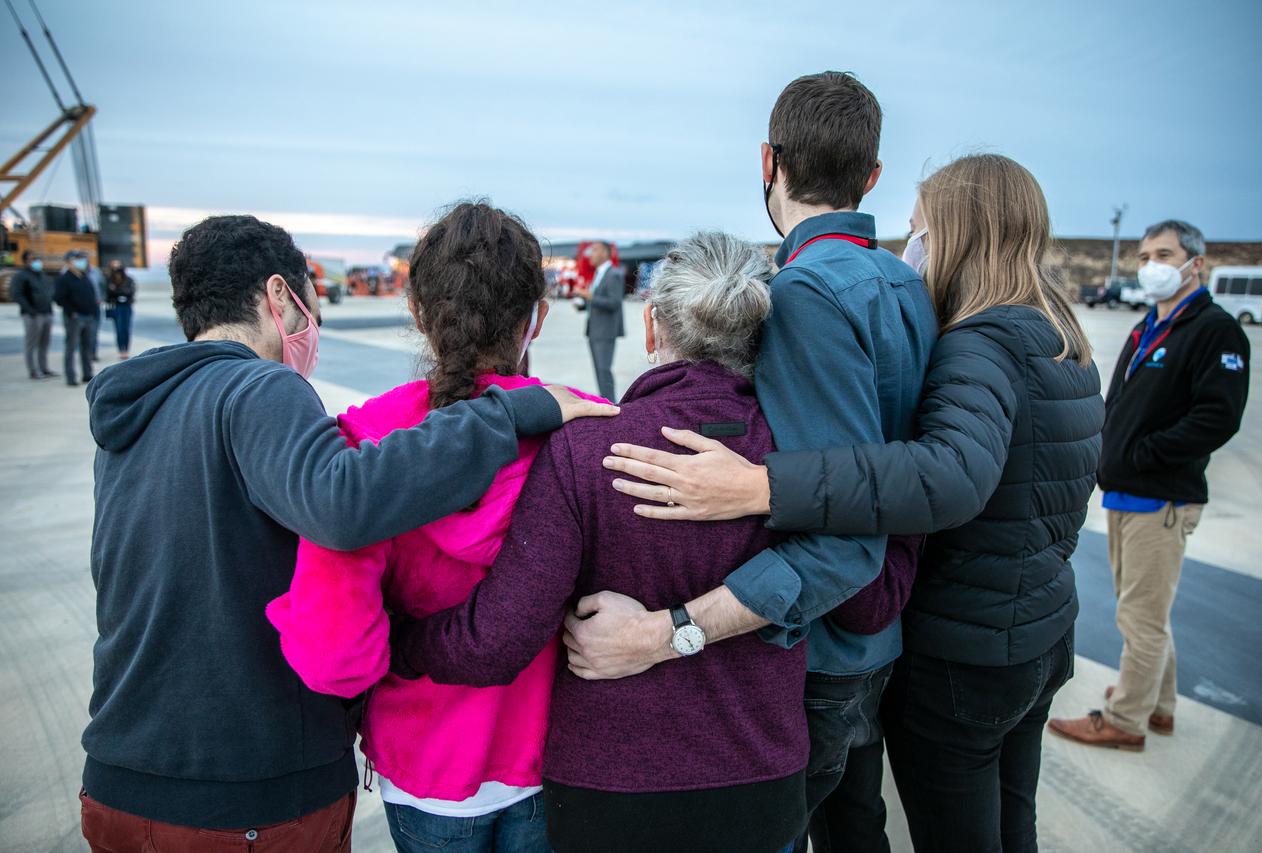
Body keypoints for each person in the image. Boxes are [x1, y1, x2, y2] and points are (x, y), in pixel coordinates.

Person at [597, 154, 1104, 852]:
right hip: (1039, 628)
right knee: (1002, 822)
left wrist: (762, 485)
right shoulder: (1056, 336)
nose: (912, 241)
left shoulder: (980, 343)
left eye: (920, 224)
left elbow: (948, 477)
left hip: (967, 647)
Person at [79, 214, 615, 852]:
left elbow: (336, 647)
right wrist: (516, 411)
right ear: (280, 296)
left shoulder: (137, 412)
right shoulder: (261, 390)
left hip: (127, 770)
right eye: (308, 299)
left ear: (418, 312)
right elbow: (342, 502)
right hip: (253, 789)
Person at [529, 72, 939, 853]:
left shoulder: (806, 293)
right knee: (856, 825)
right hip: (883, 635)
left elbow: (840, 538)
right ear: (873, 176)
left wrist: (669, 628)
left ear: (767, 161)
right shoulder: (905, 284)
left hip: (820, 648)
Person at [383, 231, 819, 853]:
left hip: (611, 788)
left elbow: (497, 639)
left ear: (650, 328)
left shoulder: (587, 452)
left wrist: (396, 643)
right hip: (761, 778)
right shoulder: (798, 463)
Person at [266, 202, 601, 853]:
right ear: (537, 316)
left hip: (421, 762)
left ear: (418, 314)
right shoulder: (583, 428)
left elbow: (335, 657)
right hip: (555, 754)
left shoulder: (366, 446)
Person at [1049, 220, 1250, 751]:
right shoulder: (1148, 326)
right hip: (1125, 491)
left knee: (1141, 618)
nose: (1151, 266)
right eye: (1143, 256)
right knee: (1145, 610)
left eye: (1164, 254)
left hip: (1160, 495)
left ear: (1195, 264)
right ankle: (1157, 703)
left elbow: (1218, 417)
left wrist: (1142, 455)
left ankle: (1125, 718)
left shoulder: (1214, 330)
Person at [581, 240, 625, 400]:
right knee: (598, 371)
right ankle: (604, 401)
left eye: (594, 250)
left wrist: (591, 297)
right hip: (593, 330)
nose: (590, 254)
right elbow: (596, 301)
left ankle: (611, 404)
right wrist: (582, 304)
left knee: (604, 370)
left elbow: (615, 302)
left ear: (605, 253)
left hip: (605, 331)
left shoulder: (613, 274)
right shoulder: (598, 274)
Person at [53, 249, 97, 385]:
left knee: (87, 347)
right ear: (69, 262)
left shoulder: (84, 277)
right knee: (71, 347)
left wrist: (92, 311)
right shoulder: (64, 279)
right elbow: (59, 298)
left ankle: (87, 373)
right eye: (76, 259)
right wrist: (72, 312)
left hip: (88, 317)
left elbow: (91, 295)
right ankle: (71, 377)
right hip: (74, 318)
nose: (81, 262)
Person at [12, 250, 56, 379]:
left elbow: (47, 292)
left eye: (37, 258)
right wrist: (30, 310)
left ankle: (44, 368)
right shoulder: (21, 276)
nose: (37, 261)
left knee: (44, 343)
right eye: (33, 259)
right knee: (31, 343)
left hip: (46, 312)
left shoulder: (41, 275)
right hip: (32, 315)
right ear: (26, 261)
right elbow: (17, 294)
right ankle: (33, 370)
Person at [105, 260, 137, 359]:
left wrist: (116, 290)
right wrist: (118, 292)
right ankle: (120, 350)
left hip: (126, 306)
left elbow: (130, 292)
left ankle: (126, 350)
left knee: (126, 329)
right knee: (118, 329)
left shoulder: (128, 280)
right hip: (116, 307)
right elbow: (108, 294)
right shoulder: (109, 280)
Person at [87, 259, 106, 361]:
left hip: (96, 307)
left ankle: (93, 353)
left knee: (94, 331)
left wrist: (102, 298)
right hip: (82, 309)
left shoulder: (96, 272)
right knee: (84, 334)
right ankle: (85, 354)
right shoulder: (73, 274)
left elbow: (103, 285)